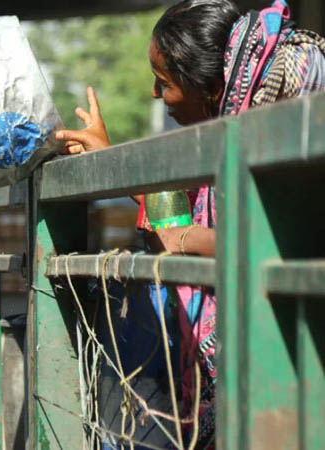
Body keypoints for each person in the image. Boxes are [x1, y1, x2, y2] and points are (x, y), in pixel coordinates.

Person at [54, 0, 325, 447]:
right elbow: (185, 217)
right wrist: (110, 161)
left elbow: (283, 240)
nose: (156, 96)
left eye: (164, 83)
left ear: (208, 86)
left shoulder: (284, 118)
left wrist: (188, 240)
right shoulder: (234, 127)